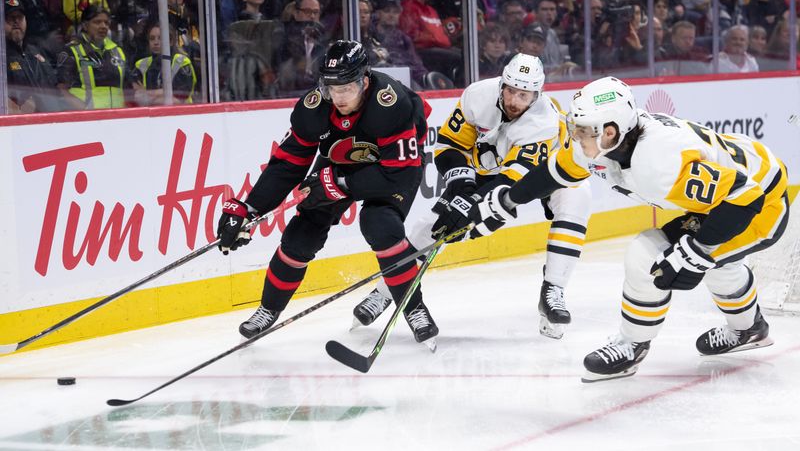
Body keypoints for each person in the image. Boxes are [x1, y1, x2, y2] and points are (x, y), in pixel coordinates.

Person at [467, 76, 788, 381]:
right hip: (738, 182)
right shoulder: (606, 141)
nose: (575, 138)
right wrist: (507, 198)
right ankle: (749, 329)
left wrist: (698, 250)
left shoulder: (659, 162)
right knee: (719, 262)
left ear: (610, 132)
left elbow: (746, 197)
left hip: (761, 200)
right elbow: (556, 171)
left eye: (582, 131)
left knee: (648, 255)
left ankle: (631, 345)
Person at [351, 54, 592, 340]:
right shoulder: (477, 96)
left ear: (537, 95)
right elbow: (450, 145)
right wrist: (462, 189)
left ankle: (553, 288)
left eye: (524, 95)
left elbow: (512, 184)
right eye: (511, 90)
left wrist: (471, 206)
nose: (515, 100)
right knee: (434, 225)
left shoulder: (544, 122)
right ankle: (386, 291)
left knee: (577, 197)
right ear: (502, 84)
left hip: (547, 170)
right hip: (490, 168)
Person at [216, 40, 439, 348]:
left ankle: (415, 309)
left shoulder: (391, 103)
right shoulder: (315, 107)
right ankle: (267, 309)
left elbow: (395, 174)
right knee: (301, 234)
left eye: (346, 88)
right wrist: (248, 208)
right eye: (332, 88)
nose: (338, 97)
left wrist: (340, 185)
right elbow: (287, 164)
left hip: (391, 167)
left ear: (364, 80)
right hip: (340, 160)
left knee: (381, 225)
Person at [56, 4, 129, 109]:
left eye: (106, 23)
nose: (103, 26)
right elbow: (61, 88)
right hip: (86, 119)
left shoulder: (117, 51)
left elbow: (129, 86)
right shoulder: (71, 50)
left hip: (117, 117)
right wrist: (84, 110)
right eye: (97, 22)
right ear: (85, 25)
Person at [4, 0, 58, 113]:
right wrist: (15, 109)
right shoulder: (2, 56)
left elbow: (54, 86)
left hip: (48, 120)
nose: (16, 21)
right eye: (10, 18)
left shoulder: (36, 51)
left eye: (20, 17)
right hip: (18, 124)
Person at [132, 22, 197, 105]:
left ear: (171, 41)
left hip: (180, 115)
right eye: (152, 38)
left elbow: (179, 99)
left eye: (160, 38)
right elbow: (136, 95)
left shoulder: (181, 62)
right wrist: (164, 94)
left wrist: (148, 96)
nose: (156, 42)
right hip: (150, 116)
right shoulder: (141, 65)